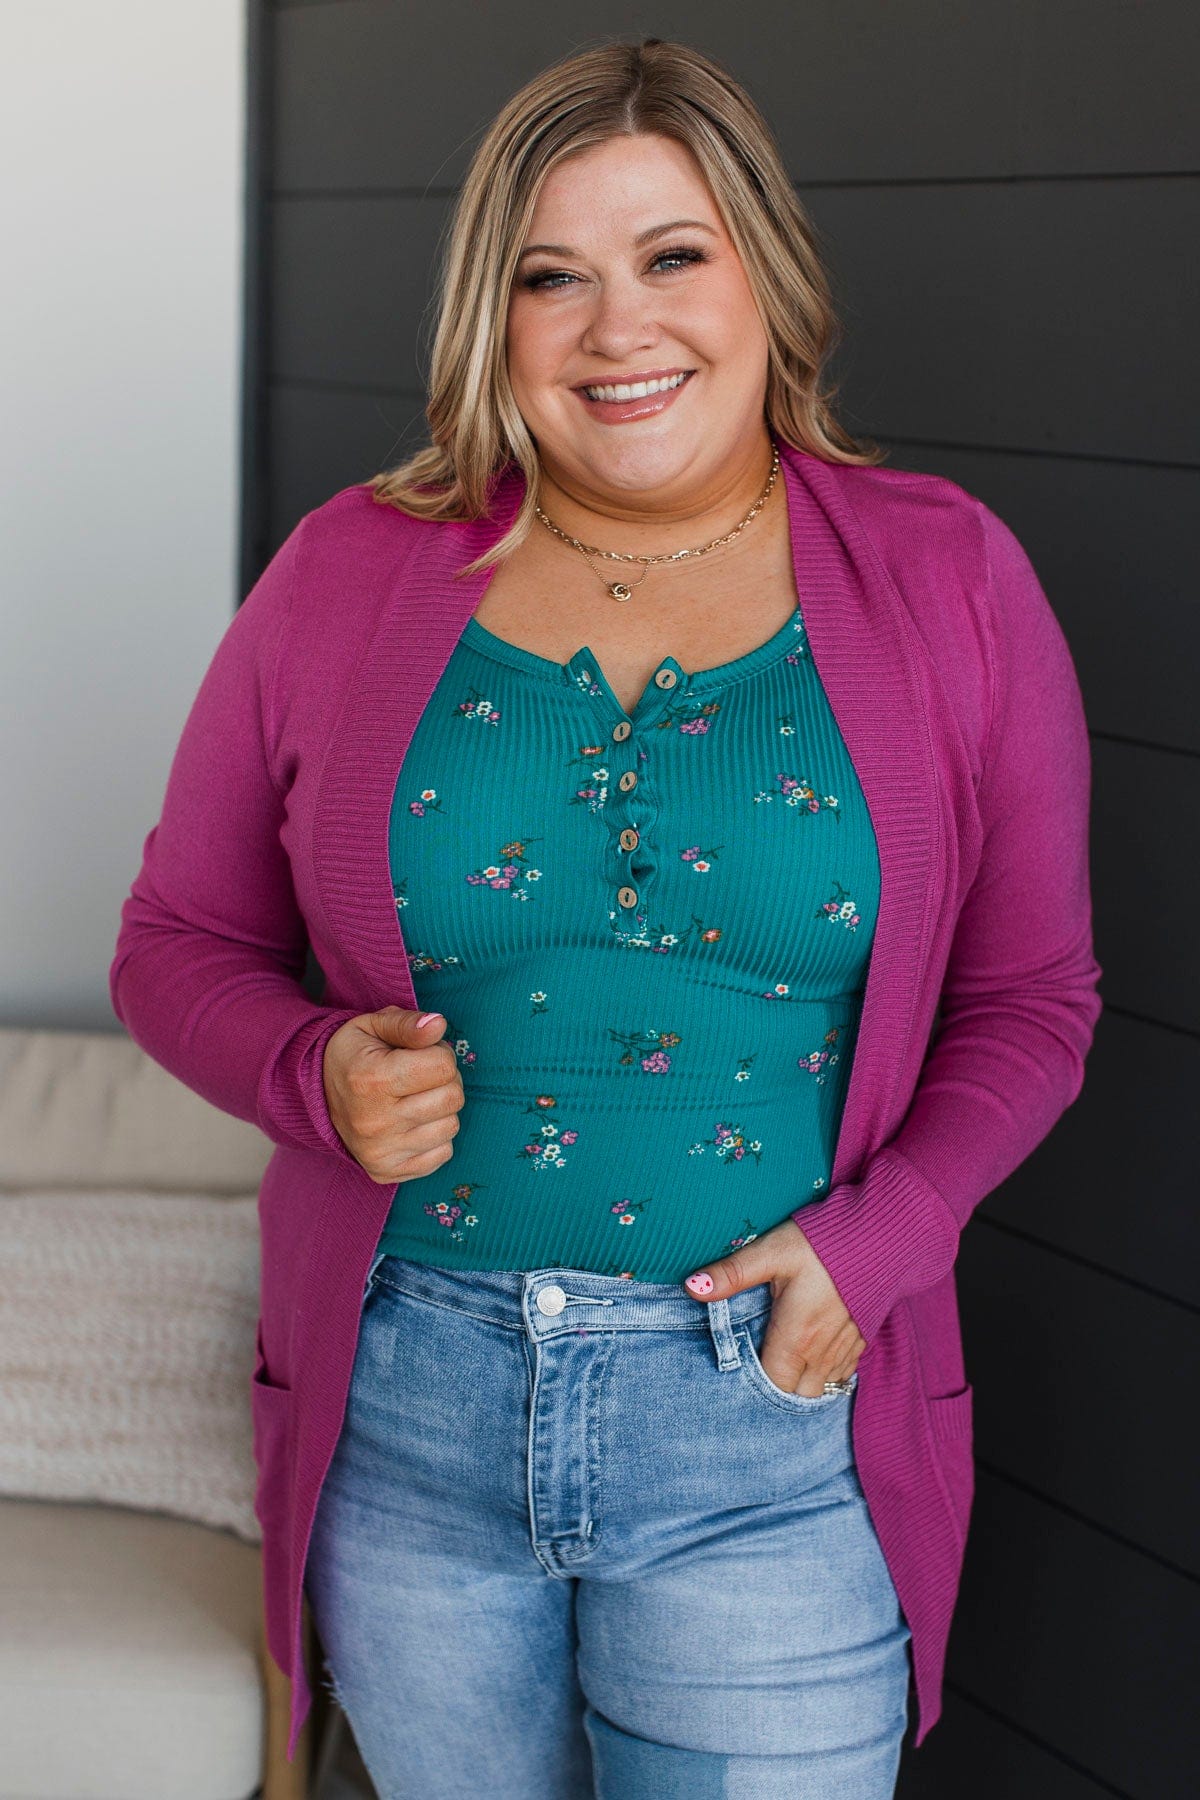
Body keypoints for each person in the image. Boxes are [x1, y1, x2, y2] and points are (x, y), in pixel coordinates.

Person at [109, 36, 1102, 1800]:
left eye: (671, 256)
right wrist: (307, 1071)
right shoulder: (346, 570)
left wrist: (887, 1238)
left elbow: (1035, 994)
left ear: (764, 275)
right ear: (490, 320)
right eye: (549, 276)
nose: (614, 327)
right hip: (408, 1415)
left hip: (773, 1429)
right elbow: (174, 944)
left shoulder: (947, 574)